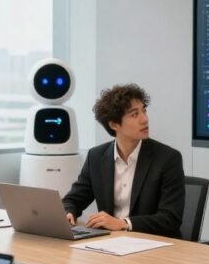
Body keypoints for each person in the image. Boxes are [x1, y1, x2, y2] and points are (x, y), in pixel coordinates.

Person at [62, 84, 185, 237]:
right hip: (111, 243)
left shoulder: (167, 158)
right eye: (134, 114)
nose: (144, 119)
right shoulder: (96, 156)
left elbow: (170, 219)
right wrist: (68, 212)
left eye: (144, 110)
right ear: (114, 124)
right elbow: (73, 200)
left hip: (154, 244)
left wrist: (123, 224)